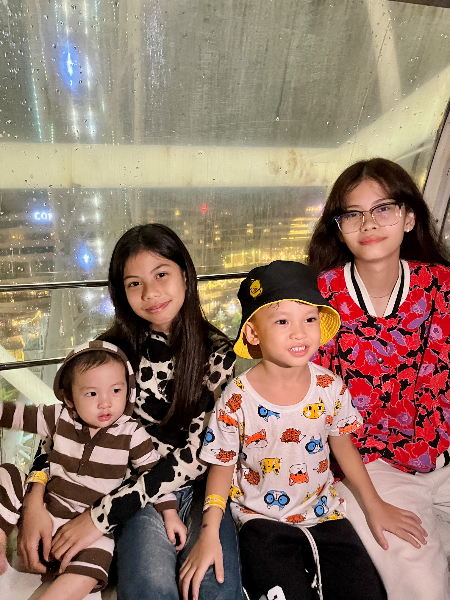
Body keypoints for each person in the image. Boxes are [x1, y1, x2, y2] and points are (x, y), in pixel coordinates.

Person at [19, 224, 244, 600]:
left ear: (185, 274)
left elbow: (196, 456)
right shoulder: (110, 352)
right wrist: (35, 498)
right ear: (121, 292)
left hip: (199, 489)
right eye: (134, 283)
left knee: (216, 588)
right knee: (148, 588)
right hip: (132, 492)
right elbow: (63, 428)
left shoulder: (218, 353)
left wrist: (99, 518)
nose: (150, 293)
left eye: (161, 275)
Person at [179, 261, 426, 600]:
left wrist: (375, 506)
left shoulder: (330, 387)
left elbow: (343, 447)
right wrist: (209, 533)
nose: (299, 332)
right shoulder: (236, 398)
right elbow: (222, 465)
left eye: (309, 319)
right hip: (260, 522)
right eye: (282, 321)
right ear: (253, 333)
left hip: (326, 515)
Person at [307, 157, 450, 600]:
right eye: (353, 214)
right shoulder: (318, 300)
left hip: (443, 456)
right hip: (370, 468)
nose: (369, 223)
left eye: (383, 209)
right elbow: (321, 412)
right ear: (339, 228)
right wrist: (373, 505)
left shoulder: (442, 286)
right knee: (424, 589)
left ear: (409, 218)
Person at [0, 340, 182, 599]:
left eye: (116, 390)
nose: (105, 403)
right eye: (92, 394)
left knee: (98, 558)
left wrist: (170, 513)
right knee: (7, 472)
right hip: (48, 509)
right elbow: (18, 415)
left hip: (91, 524)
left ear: (128, 391)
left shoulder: (131, 432)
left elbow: (153, 475)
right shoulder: (60, 417)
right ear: (69, 398)